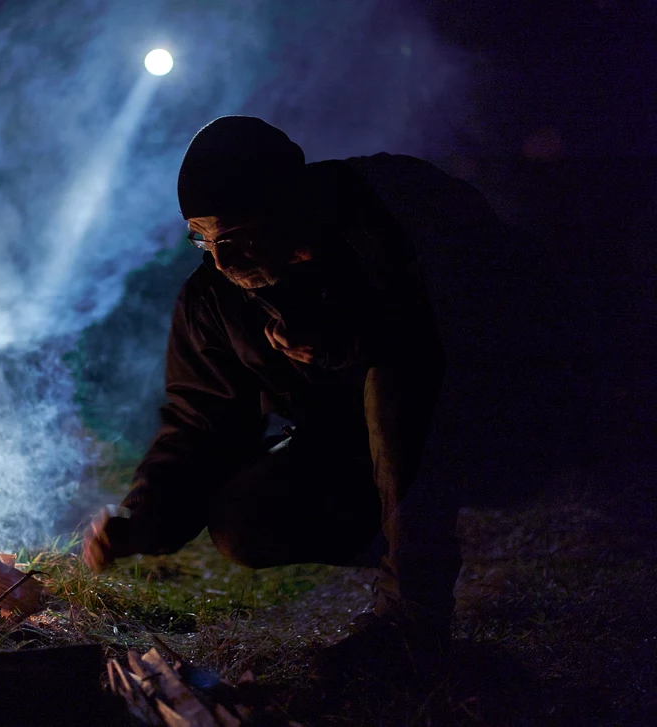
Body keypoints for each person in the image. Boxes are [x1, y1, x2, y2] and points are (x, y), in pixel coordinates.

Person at [82, 116, 463, 679]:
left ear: (288, 209)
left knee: (393, 382)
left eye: (234, 237)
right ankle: (403, 535)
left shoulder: (384, 216)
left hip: (476, 420)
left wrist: (347, 345)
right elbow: (201, 420)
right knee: (244, 519)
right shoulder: (214, 299)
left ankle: (412, 628)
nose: (219, 260)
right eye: (201, 237)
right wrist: (144, 518)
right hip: (352, 454)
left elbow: (460, 330)